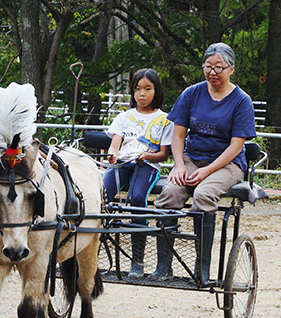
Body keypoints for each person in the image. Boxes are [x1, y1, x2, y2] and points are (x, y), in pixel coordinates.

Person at [150, 42, 256, 282]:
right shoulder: (192, 93)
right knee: (169, 194)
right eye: (208, 66)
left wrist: (207, 170)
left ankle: (202, 268)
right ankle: (163, 266)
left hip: (227, 164)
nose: (213, 72)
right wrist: (178, 165)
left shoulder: (241, 101)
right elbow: (178, 135)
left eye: (219, 67)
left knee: (204, 195)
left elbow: (236, 146)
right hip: (192, 158)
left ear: (232, 69)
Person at [103, 68, 173, 278]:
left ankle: (137, 260)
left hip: (146, 165)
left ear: (156, 91)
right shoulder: (124, 117)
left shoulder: (164, 119)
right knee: (103, 193)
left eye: (147, 89)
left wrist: (146, 157)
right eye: (137, 89)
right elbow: (115, 144)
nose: (142, 94)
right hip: (124, 163)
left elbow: (163, 154)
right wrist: (112, 155)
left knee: (137, 197)